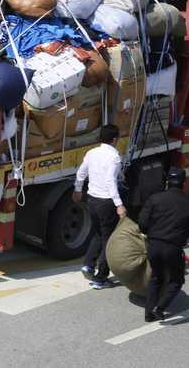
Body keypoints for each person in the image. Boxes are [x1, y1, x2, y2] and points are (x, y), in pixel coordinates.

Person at [138, 168, 189, 322]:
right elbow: (187, 231)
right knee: (177, 280)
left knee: (155, 277)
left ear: (167, 182)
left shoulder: (155, 199)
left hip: (154, 246)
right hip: (173, 247)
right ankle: (160, 308)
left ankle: (148, 314)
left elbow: (142, 223)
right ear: (183, 184)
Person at [73, 124, 126, 289]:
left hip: (92, 200)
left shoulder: (91, 153)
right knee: (108, 240)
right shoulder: (114, 157)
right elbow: (111, 181)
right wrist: (119, 204)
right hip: (106, 202)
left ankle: (88, 264)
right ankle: (101, 278)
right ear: (115, 139)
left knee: (98, 234)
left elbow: (81, 172)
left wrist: (77, 189)